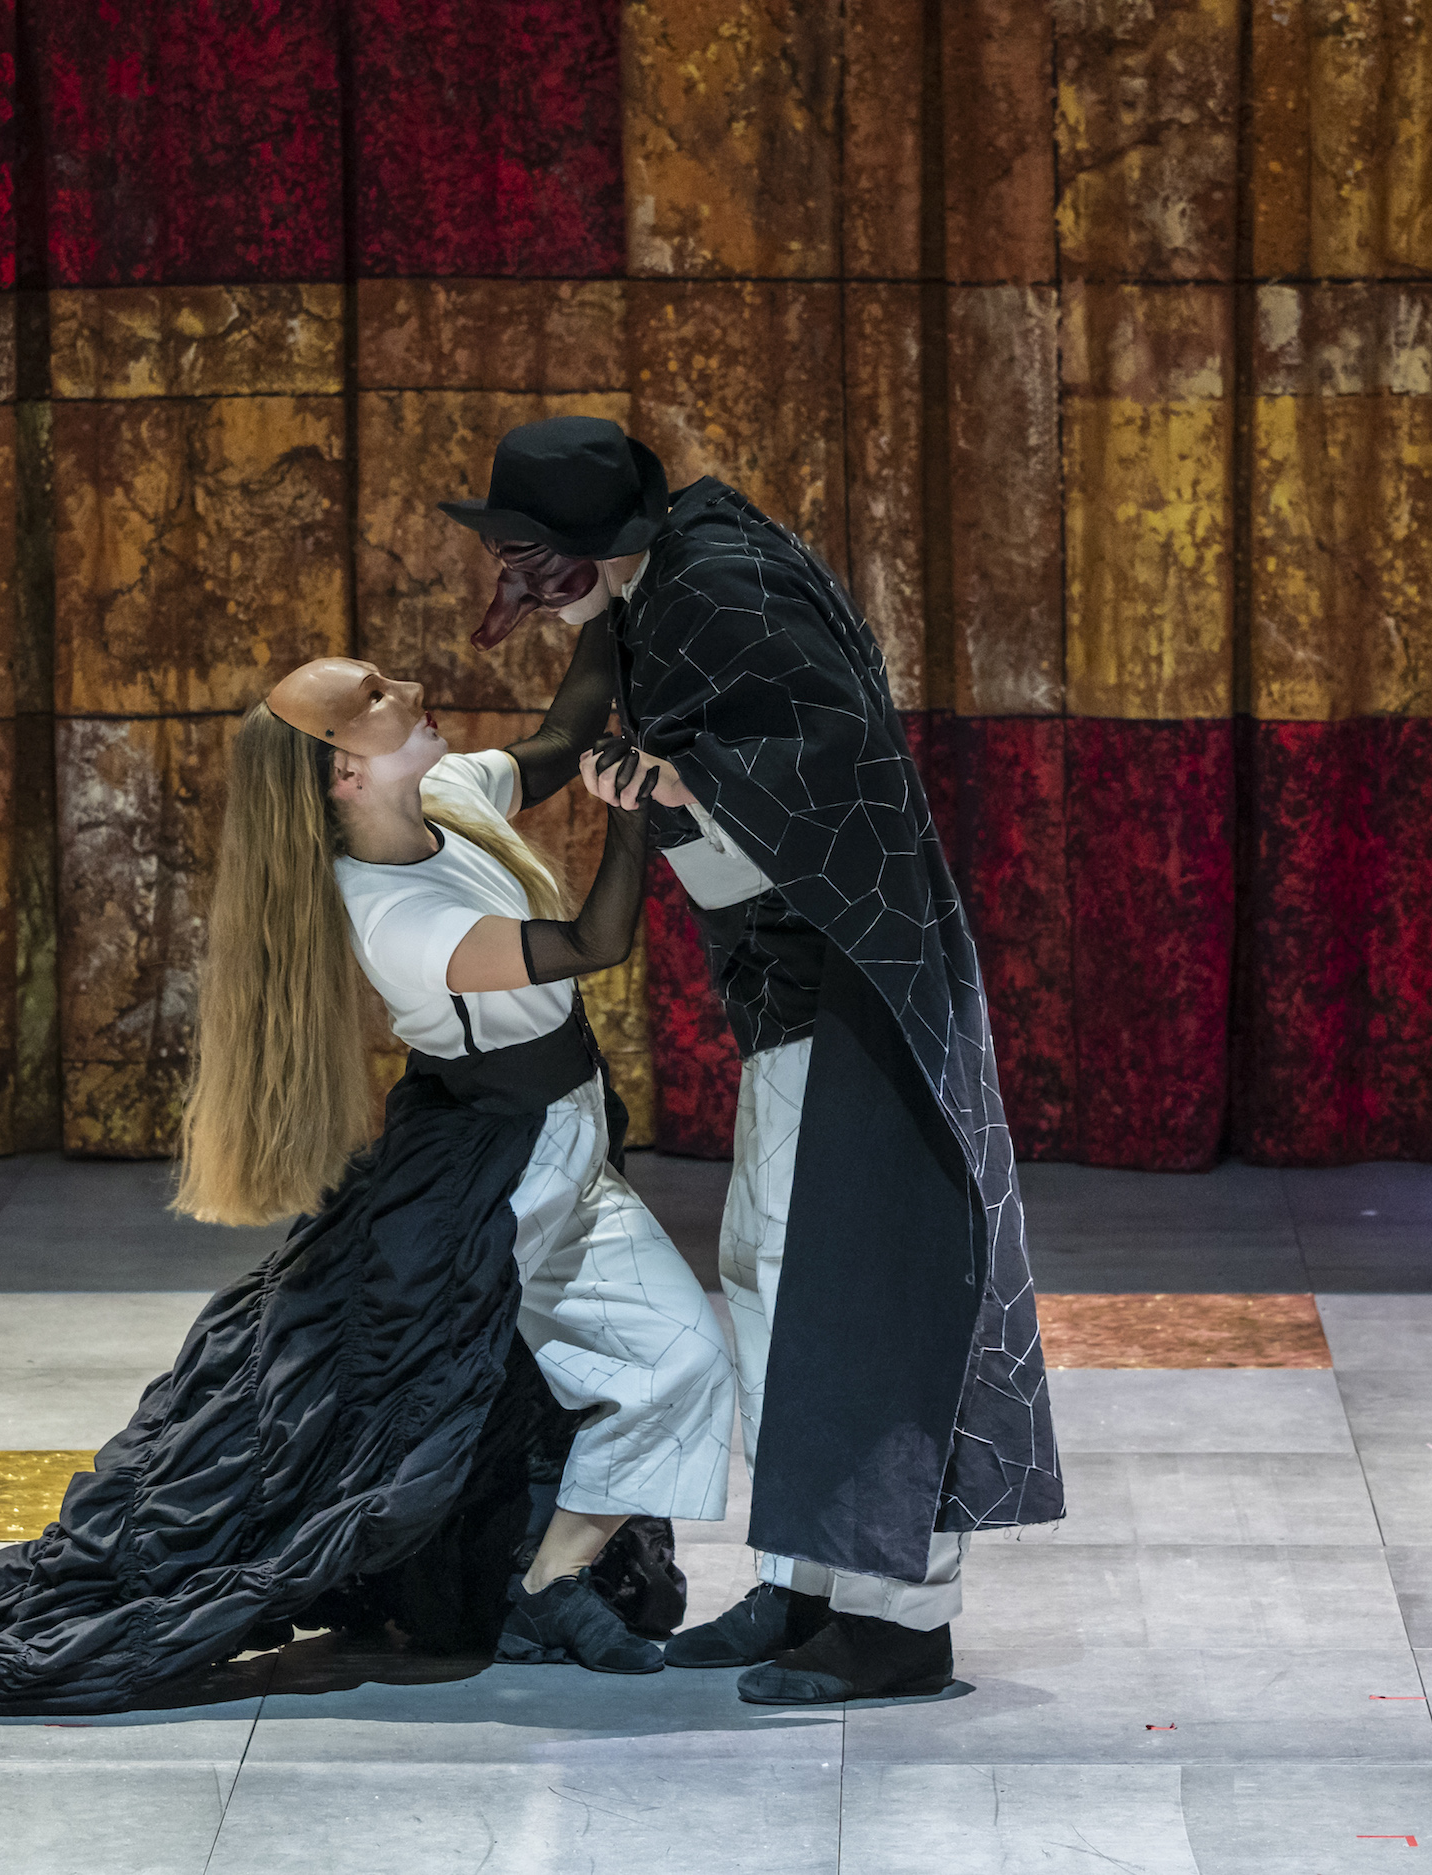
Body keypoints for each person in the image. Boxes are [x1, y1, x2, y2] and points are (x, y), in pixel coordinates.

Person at [0, 646, 735, 1716]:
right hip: (491, 1176)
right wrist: (631, 814)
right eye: (376, 698)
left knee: (679, 1362)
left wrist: (600, 605)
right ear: (346, 773)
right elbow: (593, 941)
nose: (408, 691)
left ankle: (549, 1586)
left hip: (563, 1138)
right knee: (348, 1417)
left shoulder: (448, 795)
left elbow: (557, 735)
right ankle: (512, 1580)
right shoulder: (392, 917)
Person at [442, 415, 1066, 1706]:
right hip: (805, 982)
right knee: (776, 1274)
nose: (522, 587)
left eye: (533, 562)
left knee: (851, 1281)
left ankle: (892, 1619)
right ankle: (808, 1578)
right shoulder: (680, 570)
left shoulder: (718, 587)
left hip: (854, 981)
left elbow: (833, 757)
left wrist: (672, 778)